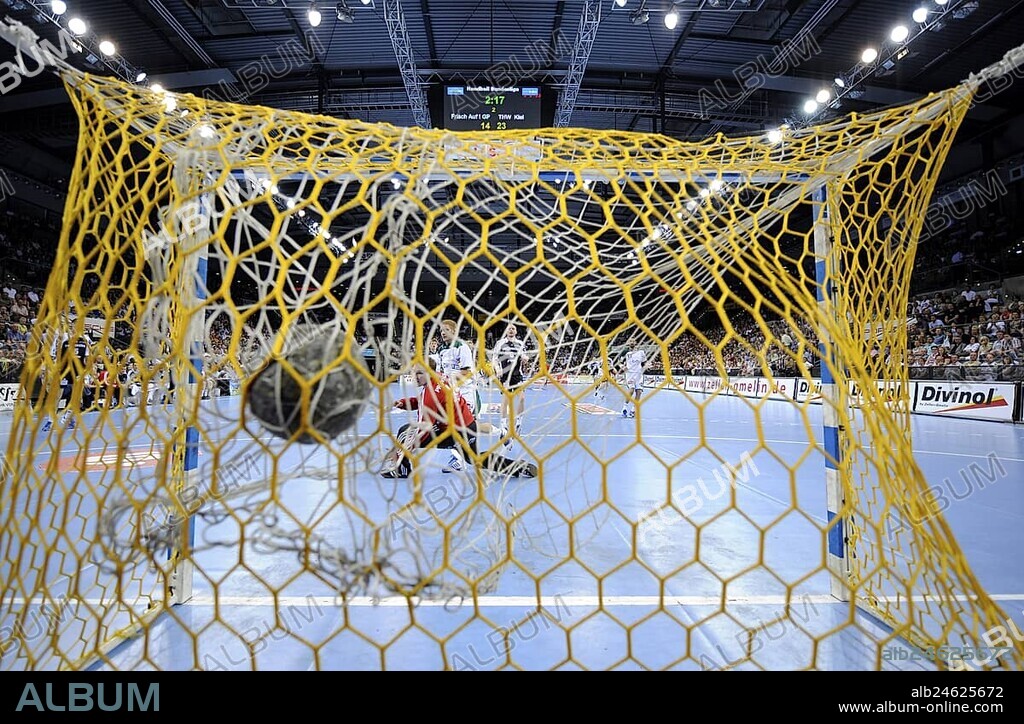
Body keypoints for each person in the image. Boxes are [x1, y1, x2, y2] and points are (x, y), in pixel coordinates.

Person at [380, 359, 537, 479]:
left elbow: (425, 426)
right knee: (476, 460)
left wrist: (403, 450)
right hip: (466, 426)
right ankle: (519, 467)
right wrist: (402, 403)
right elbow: (421, 402)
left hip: (456, 432)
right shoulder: (439, 379)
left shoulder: (432, 393)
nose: (415, 376)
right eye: (414, 372)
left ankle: (402, 469)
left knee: (406, 432)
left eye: (419, 373)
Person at [490, 323, 530, 447]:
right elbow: (495, 358)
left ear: (516, 331)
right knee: (506, 400)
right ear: (506, 331)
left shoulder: (520, 343)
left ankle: (518, 422)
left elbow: (524, 355)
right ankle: (503, 425)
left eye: (513, 328)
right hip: (505, 376)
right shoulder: (500, 343)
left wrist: (525, 358)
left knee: (522, 398)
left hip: (517, 375)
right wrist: (497, 369)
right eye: (509, 328)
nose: (511, 330)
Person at [437, 319, 480, 415]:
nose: (443, 333)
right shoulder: (441, 349)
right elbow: (439, 372)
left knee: (468, 425)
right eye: (441, 331)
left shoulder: (462, 347)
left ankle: (497, 431)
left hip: (465, 391)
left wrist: (451, 377)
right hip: (451, 391)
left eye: (446, 330)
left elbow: (467, 372)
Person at [621, 338, 648, 418]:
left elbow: (645, 362)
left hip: (639, 374)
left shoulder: (641, 352)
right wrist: (623, 367)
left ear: (636, 342)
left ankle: (633, 409)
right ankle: (624, 407)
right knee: (631, 390)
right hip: (630, 374)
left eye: (633, 341)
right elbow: (619, 362)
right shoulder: (625, 352)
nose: (631, 342)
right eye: (630, 341)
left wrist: (647, 365)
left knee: (639, 392)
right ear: (628, 343)